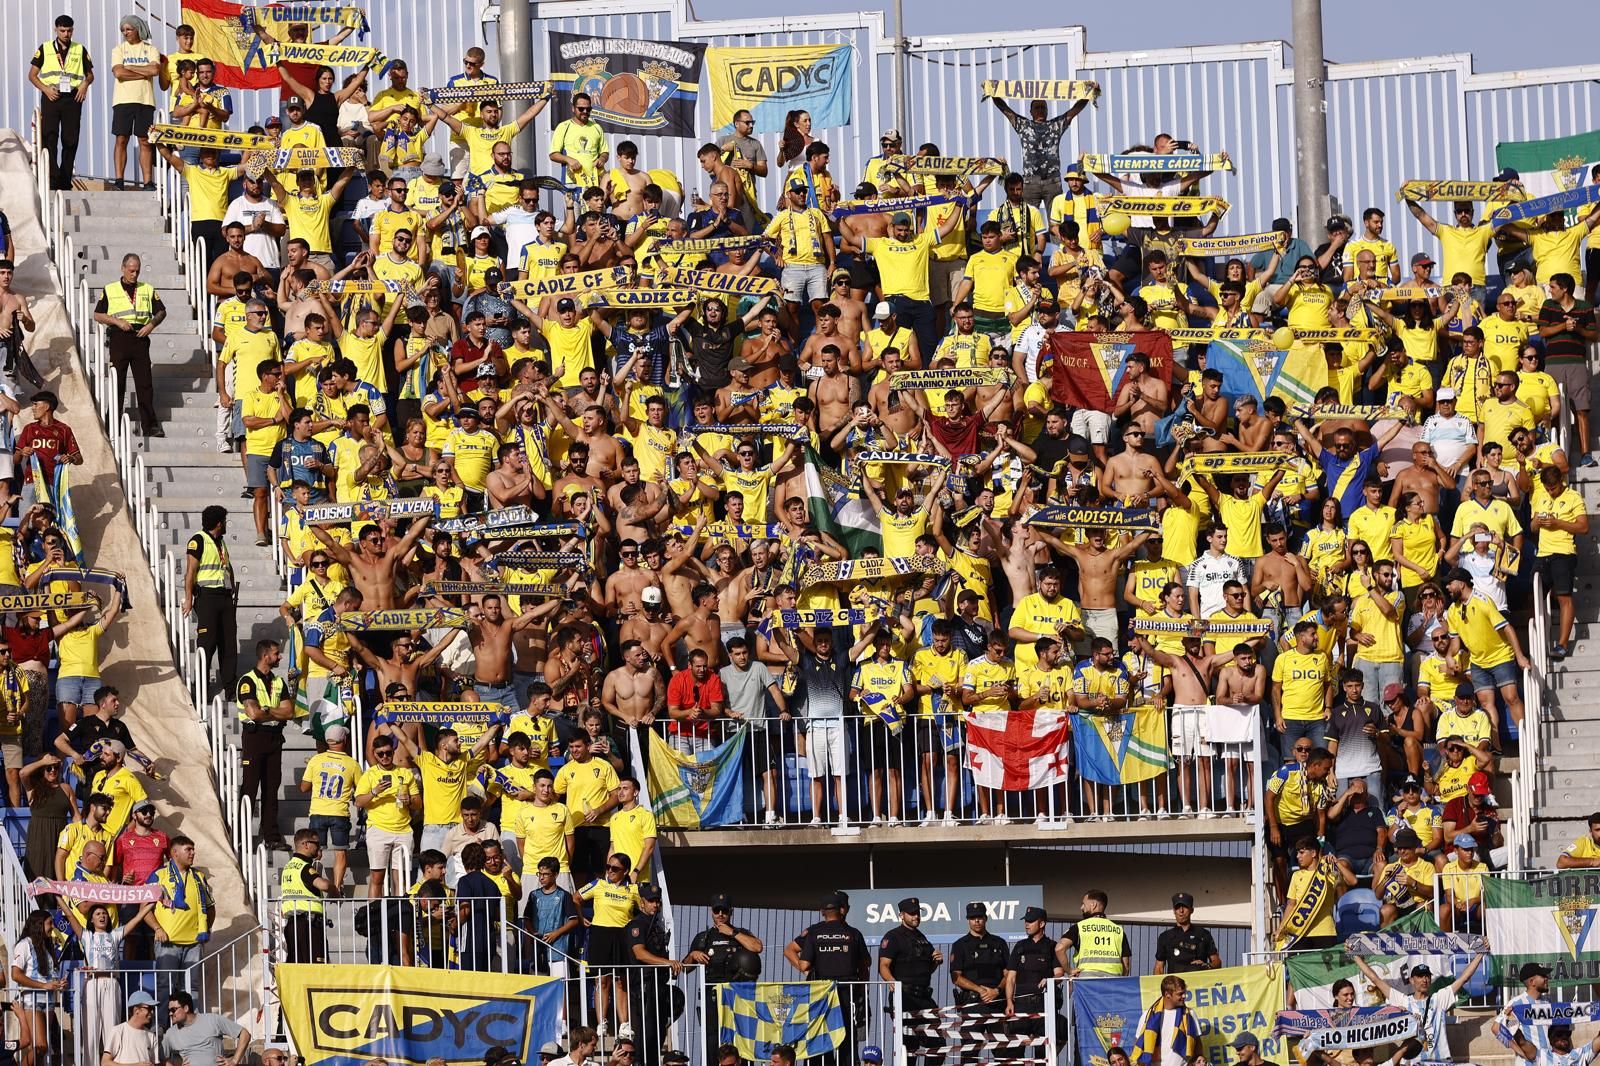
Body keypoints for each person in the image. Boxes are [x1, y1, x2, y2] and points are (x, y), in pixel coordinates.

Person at [1350, 955, 1483, 1063]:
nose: (1424, 980)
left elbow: (1464, 978)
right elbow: (1375, 979)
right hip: (1412, 1062)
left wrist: (1480, 955)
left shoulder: (1439, 998)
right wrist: (1356, 957)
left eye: (1427, 976)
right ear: (1412, 980)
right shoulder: (1402, 1000)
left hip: (1439, 1061)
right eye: (1420, 976)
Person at [30, 15, 93, 191]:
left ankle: (65, 181)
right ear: (56, 29)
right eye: (62, 30)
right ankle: (52, 177)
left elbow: (90, 74)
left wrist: (85, 85)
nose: (66, 34)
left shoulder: (79, 49)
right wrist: (45, 89)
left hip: (72, 98)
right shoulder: (45, 48)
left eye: (69, 30)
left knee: (70, 139)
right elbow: (32, 75)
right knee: (49, 136)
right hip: (52, 96)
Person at [879, 897, 942, 1066]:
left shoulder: (921, 937)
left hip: (923, 997)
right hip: (904, 997)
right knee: (909, 1046)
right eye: (912, 913)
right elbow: (883, 966)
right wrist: (892, 983)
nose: (916, 917)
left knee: (938, 1043)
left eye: (918, 913)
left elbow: (927, 970)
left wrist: (935, 961)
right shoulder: (893, 936)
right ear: (902, 915)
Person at [182, 505, 238, 693]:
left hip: (225, 597)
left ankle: (230, 687)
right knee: (207, 643)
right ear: (219, 523)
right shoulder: (198, 540)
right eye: (224, 521)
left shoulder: (221, 542)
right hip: (207, 597)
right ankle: (202, 688)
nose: (226, 524)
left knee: (228, 643)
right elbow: (190, 572)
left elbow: (226, 567)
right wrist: (189, 599)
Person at [280, 828, 332, 964]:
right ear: (306, 844)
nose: (319, 848)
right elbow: (323, 885)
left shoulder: (288, 867)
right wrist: (335, 890)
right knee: (317, 967)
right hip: (309, 925)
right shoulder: (305, 867)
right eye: (317, 844)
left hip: (292, 925)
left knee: (296, 965)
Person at [160, 991, 250, 1066]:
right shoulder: (171, 1033)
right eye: (169, 1011)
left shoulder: (212, 1019)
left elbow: (244, 1034)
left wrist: (234, 1060)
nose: (170, 1014)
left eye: (173, 1010)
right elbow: (161, 1058)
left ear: (186, 1008)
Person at [1130, 975, 1202, 1066]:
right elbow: (1138, 1044)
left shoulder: (1190, 1014)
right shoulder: (1148, 1016)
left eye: (1184, 993)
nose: (1184, 996)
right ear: (1167, 994)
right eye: (1180, 994)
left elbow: (1198, 1044)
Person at [1153, 892, 1221, 973]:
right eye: (1178, 907)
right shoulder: (1165, 937)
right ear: (1174, 911)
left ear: (1192, 910)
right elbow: (1159, 967)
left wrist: (1207, 966)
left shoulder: (1203, 934)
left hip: (1198, 983)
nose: (1181, 911)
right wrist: (1157, 985)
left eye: (1185, 907)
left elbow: (1217, 962)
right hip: (1175, 984)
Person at [102, 990, 161, 1066]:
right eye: (149, 1008)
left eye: (153, 1009)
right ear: (136, 1010)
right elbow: (105, 1063)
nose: (152, 1012)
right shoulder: (118, 1031)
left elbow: (155, 1063)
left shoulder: (151, 1036)